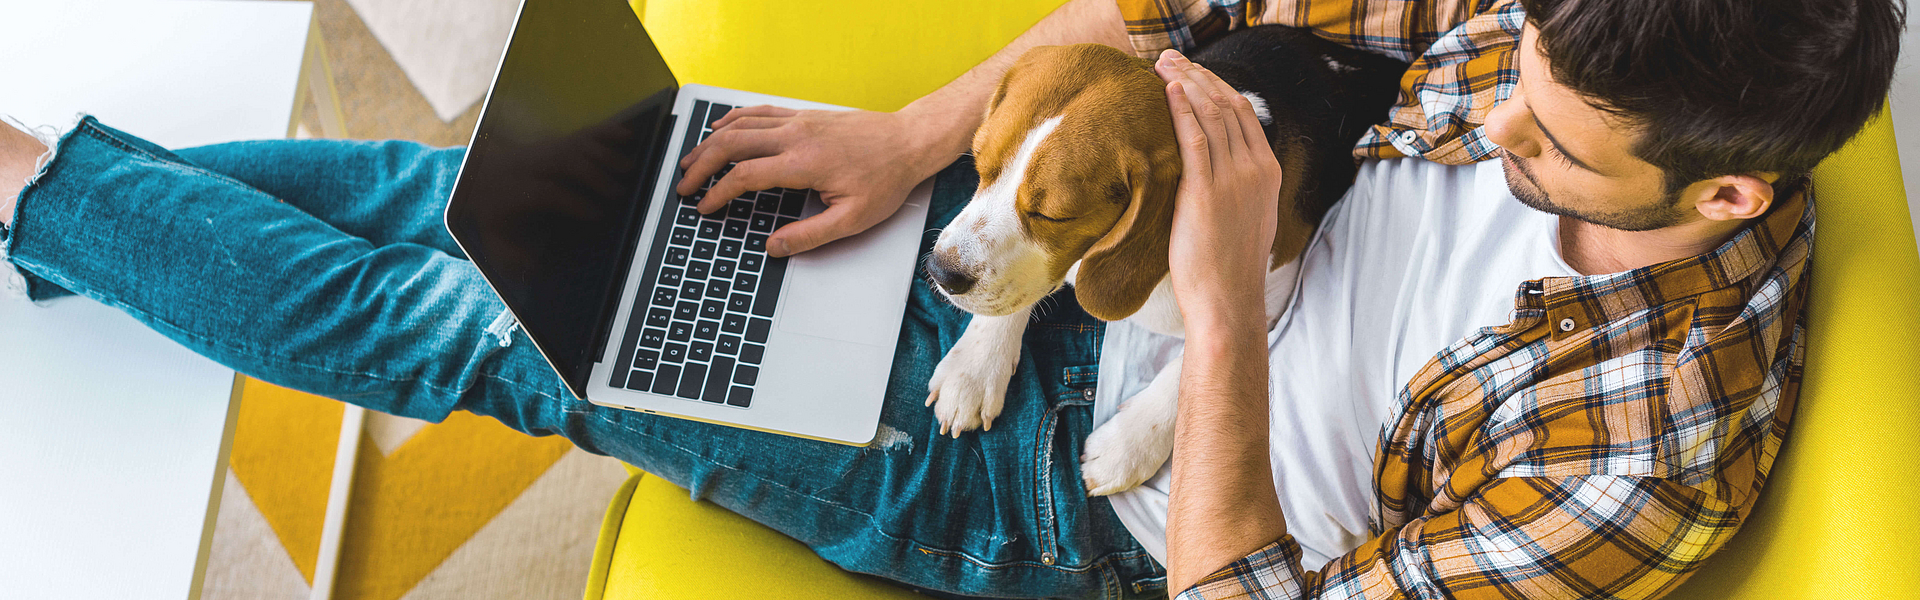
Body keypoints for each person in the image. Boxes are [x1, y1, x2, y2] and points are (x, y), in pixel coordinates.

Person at [0, 0, 1902, 597]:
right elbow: (1161, 13)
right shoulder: (1538, 32)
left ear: (1725, 193)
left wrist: (1227, 312)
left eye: (1557, 151)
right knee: (521, 206)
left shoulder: (1649, 445)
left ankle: (31, 187)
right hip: (1043, 263)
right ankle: (52, 210)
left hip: (1063, 497)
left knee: (482, 327)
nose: (1500, 134)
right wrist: (915, 146)